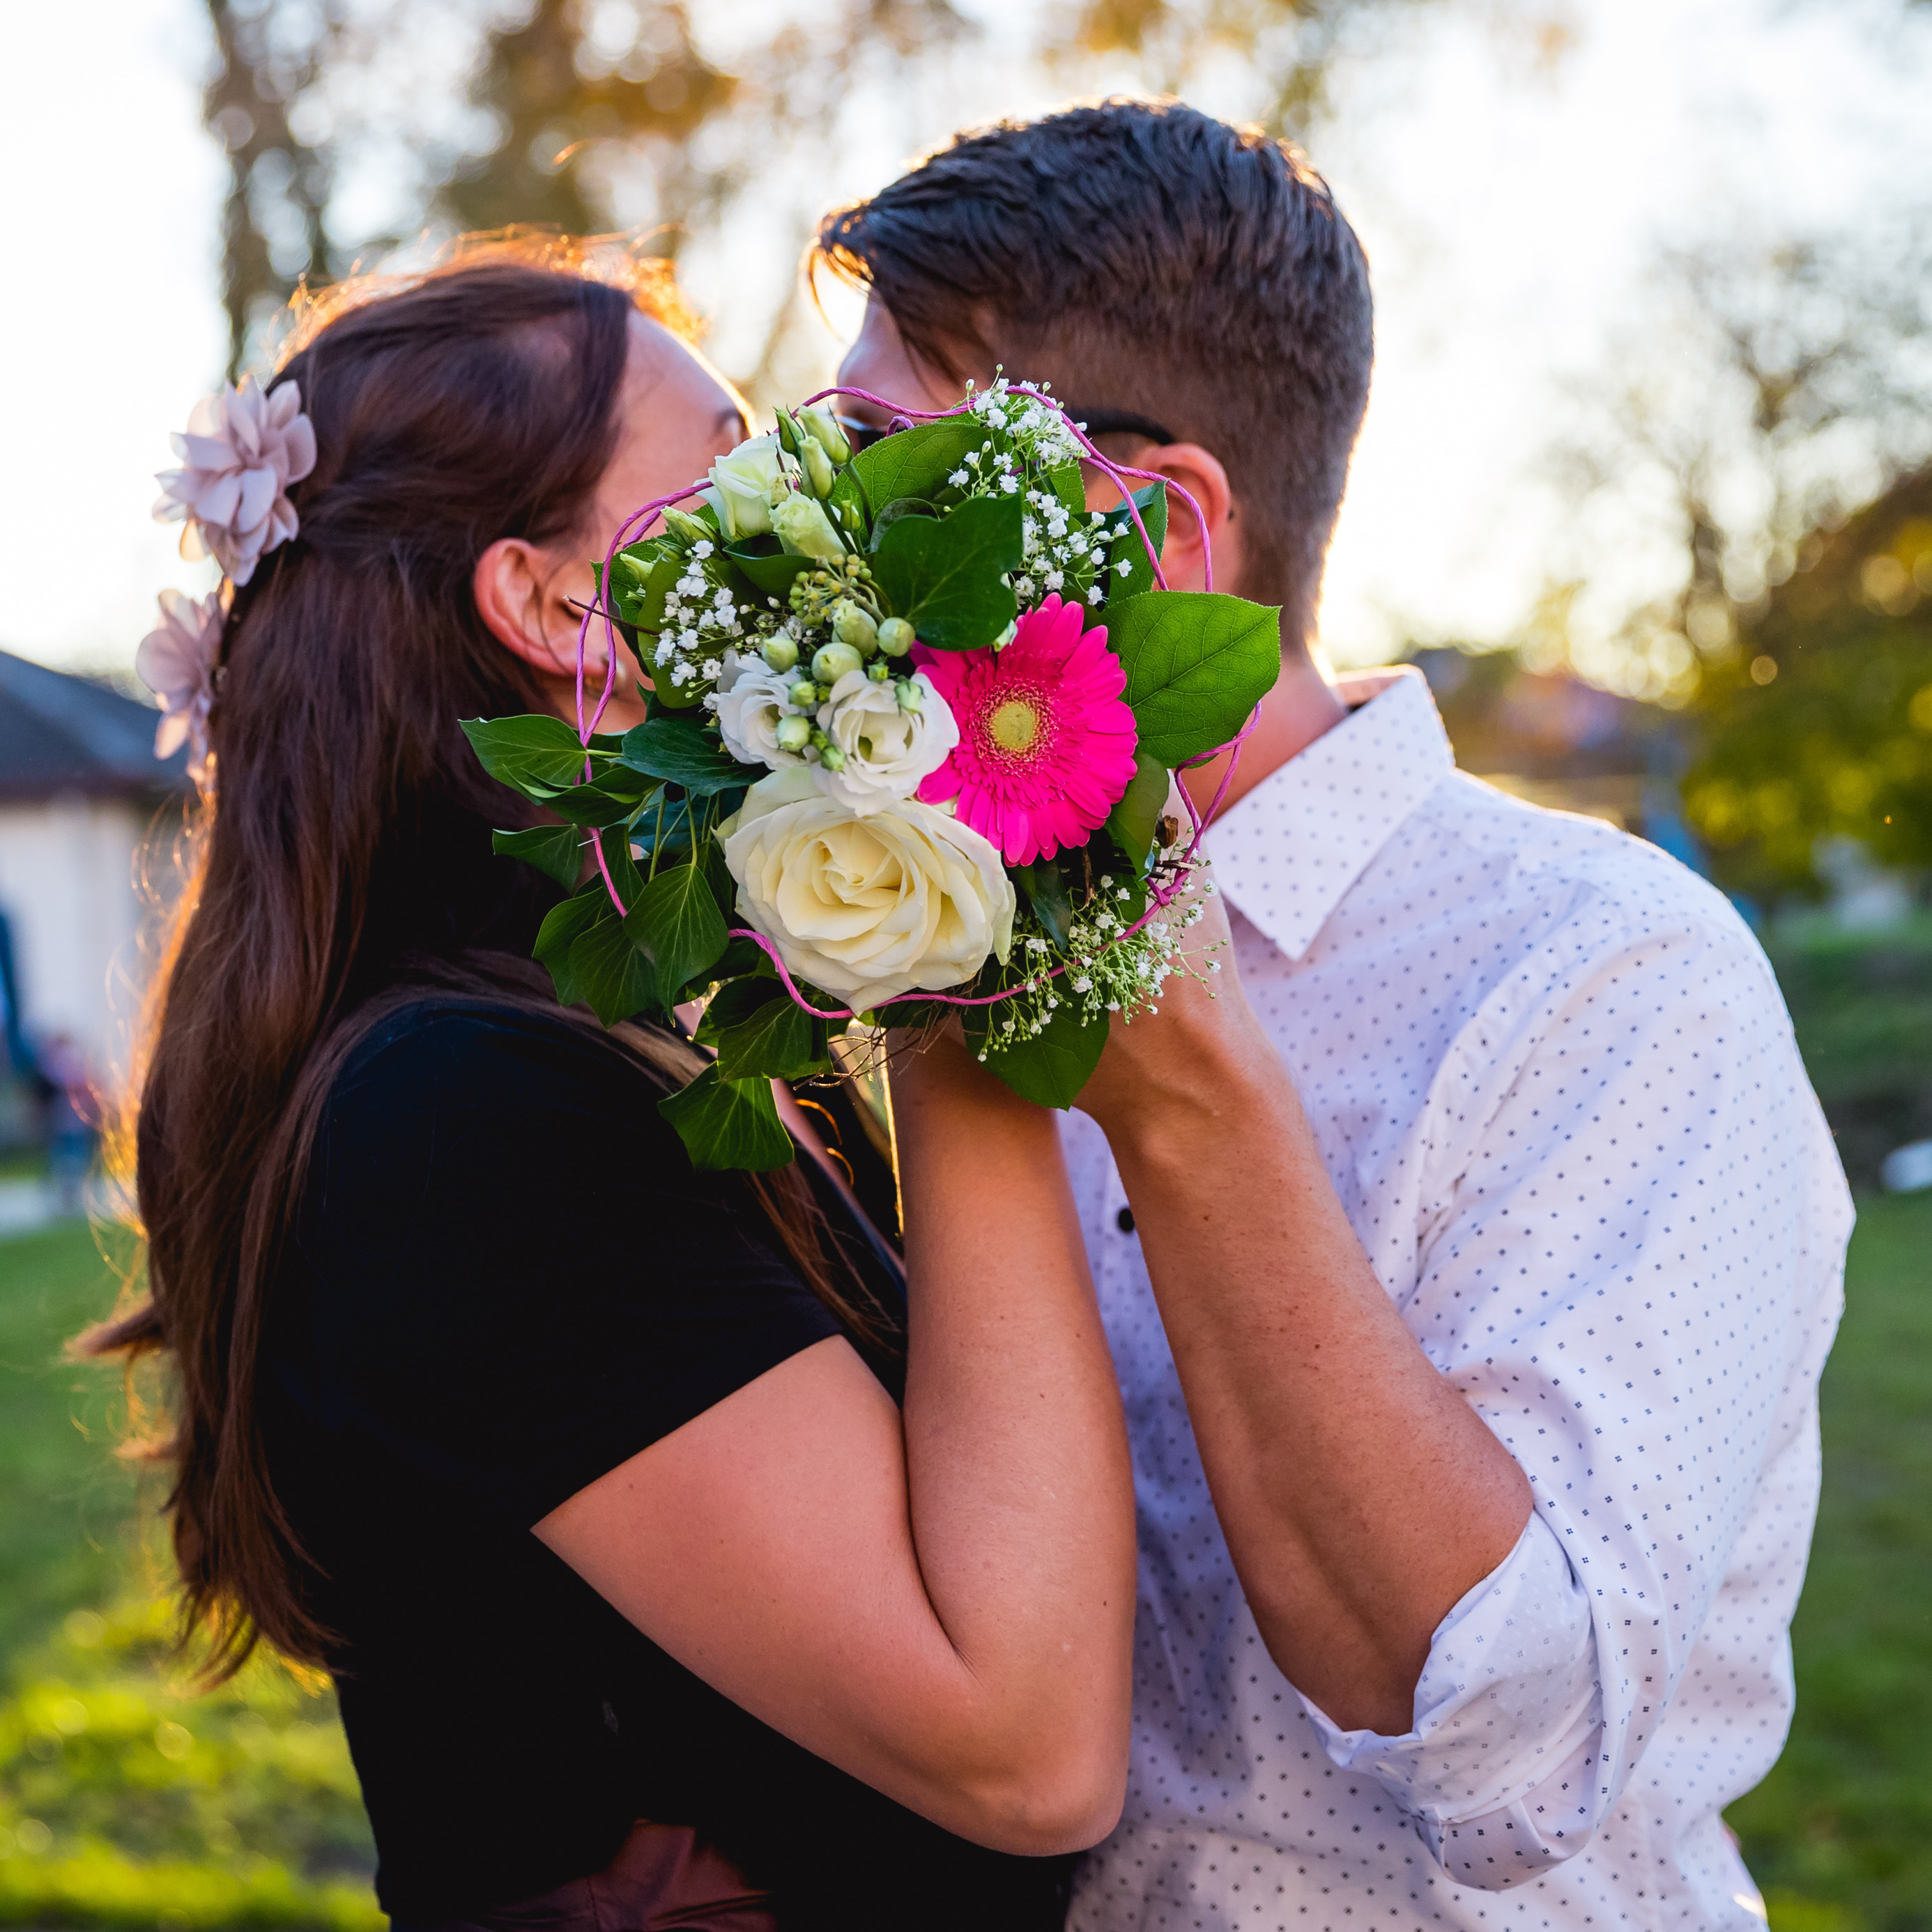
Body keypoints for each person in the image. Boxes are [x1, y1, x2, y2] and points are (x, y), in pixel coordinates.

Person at [822, 99, 1852, 1929]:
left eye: (875, 467)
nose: (817, 538)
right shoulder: (919, 943)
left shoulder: (1616, 981)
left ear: (1145, 534)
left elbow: (1520, 1751)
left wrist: (1184, 1097)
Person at [84, 241, 1145, 1932]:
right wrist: (962, 915)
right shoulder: (462, 1126)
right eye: (733, 460)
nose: (808, 504)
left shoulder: (629, 1039)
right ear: (554, 605)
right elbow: (1025, 1752)